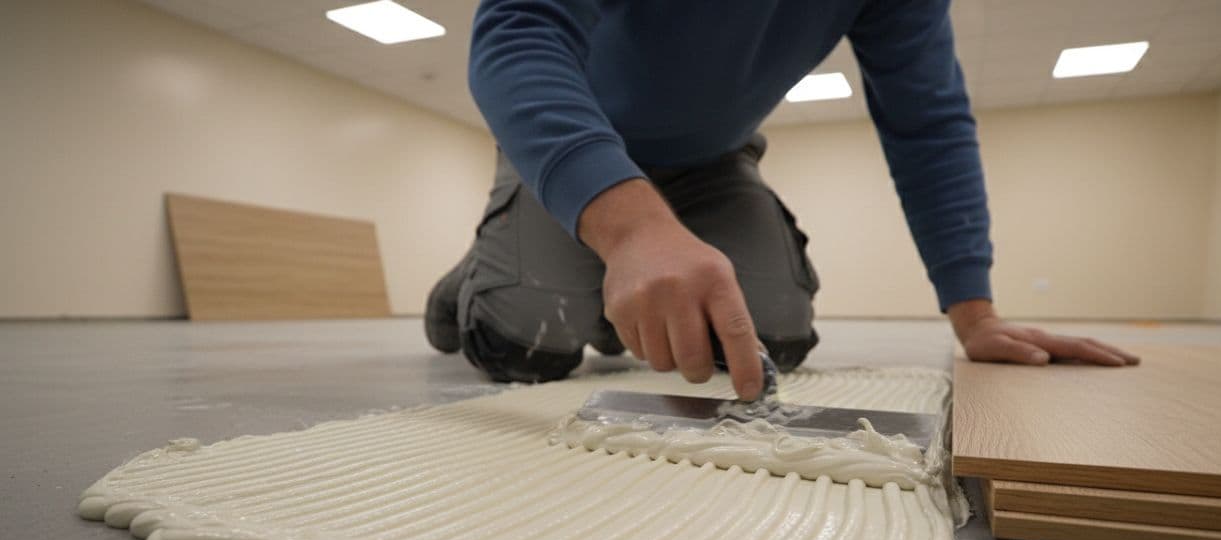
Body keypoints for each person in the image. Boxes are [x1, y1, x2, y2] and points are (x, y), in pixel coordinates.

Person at [425, 0, 1139, 401]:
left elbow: (927, 121)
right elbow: (519, 33)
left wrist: (974, 313)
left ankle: (615, 295)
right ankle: (474, 283)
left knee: (772, 338)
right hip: (577, 144)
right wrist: (631, 229)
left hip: (713, 162)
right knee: (524, 346)